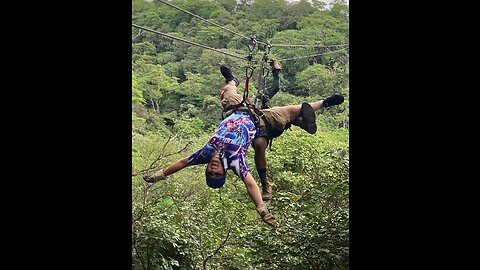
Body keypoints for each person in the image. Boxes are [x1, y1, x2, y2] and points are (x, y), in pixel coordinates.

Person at [144, 67, 344, 228]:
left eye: (210, 172)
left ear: (206, 168)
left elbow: (182, 162)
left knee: (229, 92)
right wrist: (262, 210)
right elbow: (250, 185)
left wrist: (158, 175)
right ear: (223, 171)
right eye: (217, 173)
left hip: (239, 109)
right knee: (290, 110)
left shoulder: (205, 154)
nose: (213, 169)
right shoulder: (234, 162)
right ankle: (323, 104)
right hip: (258, 121)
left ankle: (232, 79)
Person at [219, 62, 344, 201]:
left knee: (288, 111)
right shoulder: (223, 156)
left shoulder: (249, 101)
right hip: (251, 124)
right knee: (260, 144)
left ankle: (323, 103)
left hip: (257, 114)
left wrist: (275, 73)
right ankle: (265, 184)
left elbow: (274, 88)